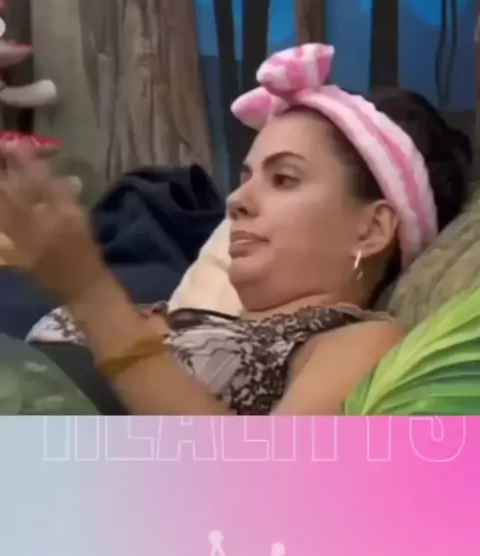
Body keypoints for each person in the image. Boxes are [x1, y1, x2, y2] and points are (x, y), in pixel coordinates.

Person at [0, 44, 472, 415]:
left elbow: (259, 484)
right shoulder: (178, 312)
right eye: (245, 178)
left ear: (371, 230)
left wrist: (91, 294)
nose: (236, 201)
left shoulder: (356, 342)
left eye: (284, 179)